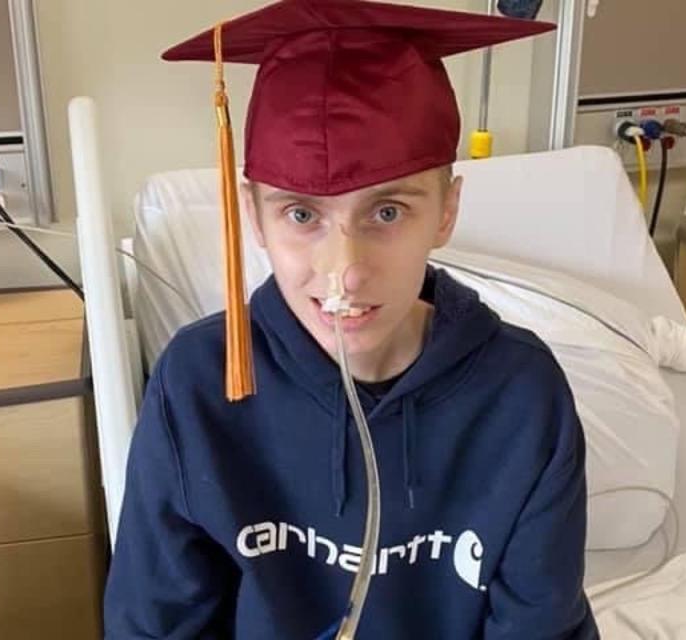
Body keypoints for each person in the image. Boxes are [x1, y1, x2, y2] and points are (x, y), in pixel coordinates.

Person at [104, 0, 598, 637]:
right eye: (302, 215)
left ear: (445, 213)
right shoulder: (199, 384)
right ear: (253, 217)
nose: (345, 269)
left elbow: (542, 628)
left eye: (387, 212)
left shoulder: (520, 394)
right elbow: (154, 625)